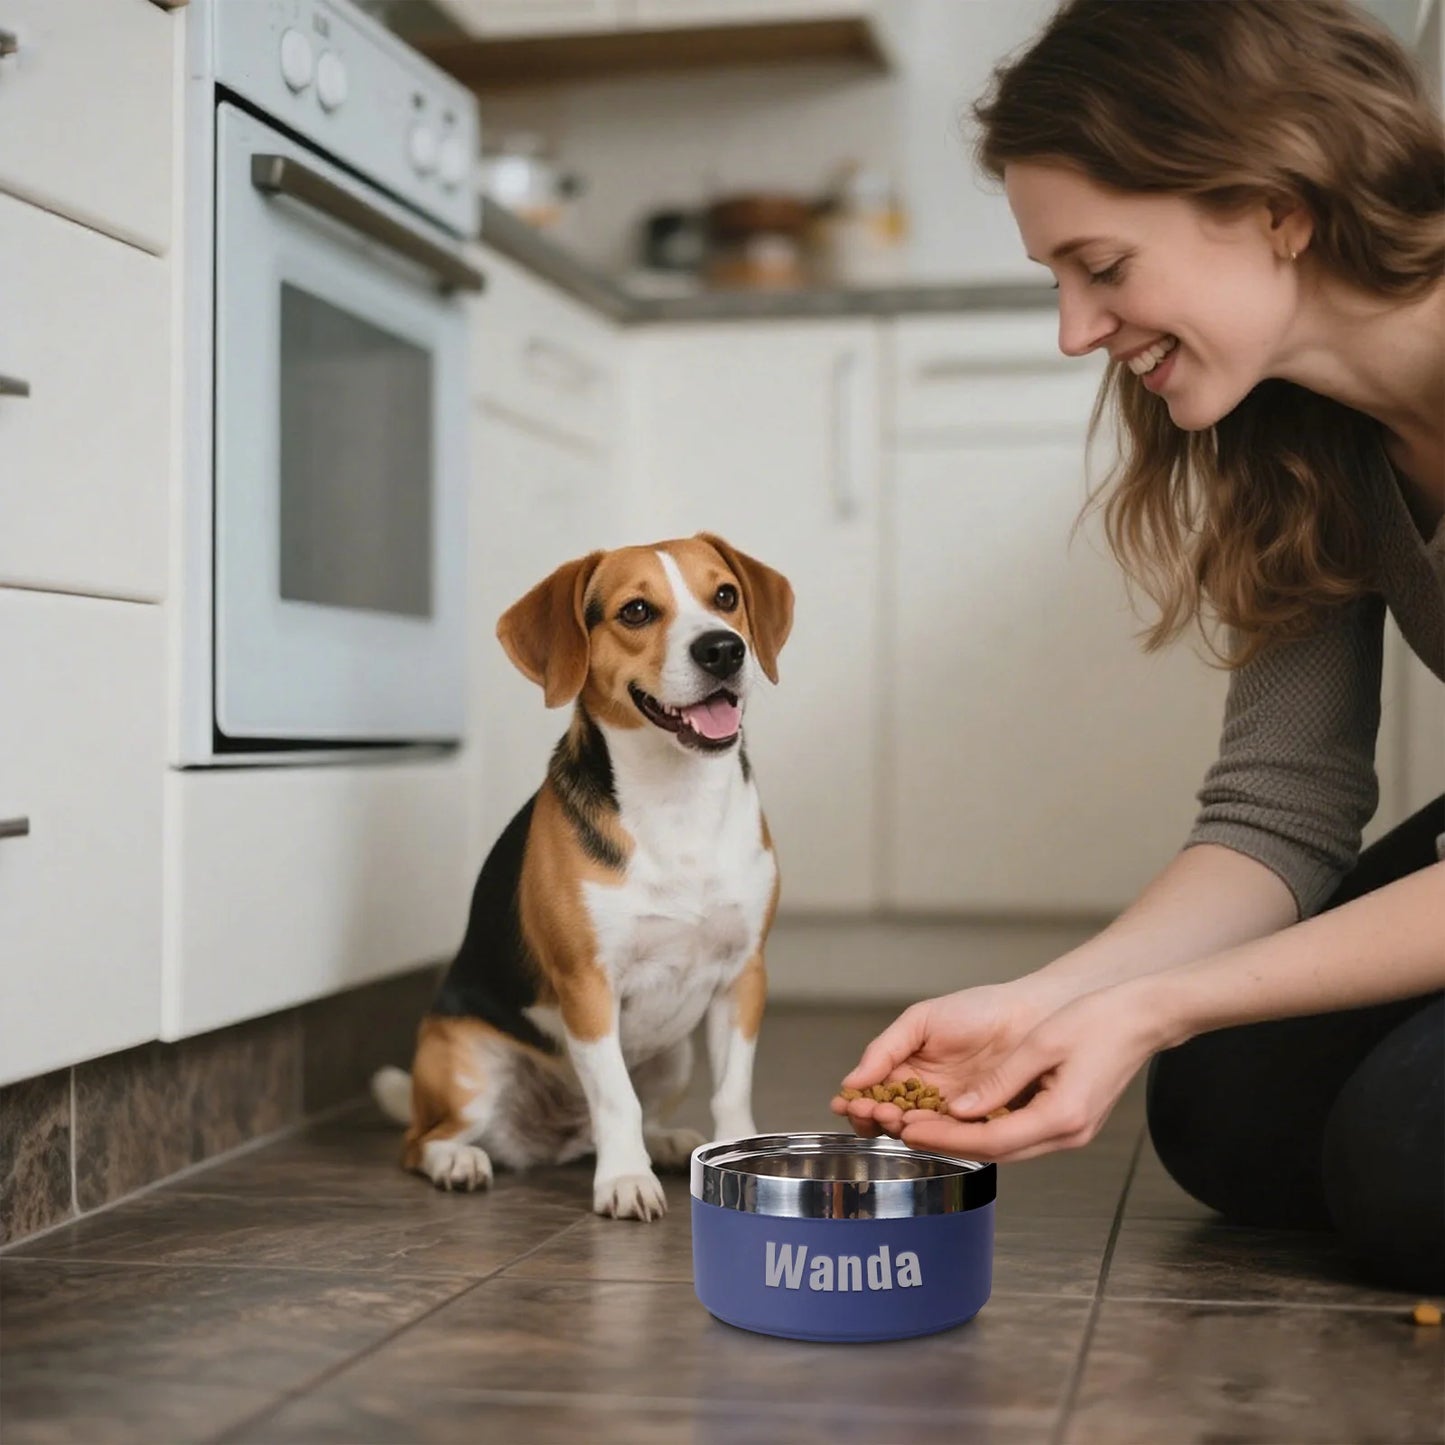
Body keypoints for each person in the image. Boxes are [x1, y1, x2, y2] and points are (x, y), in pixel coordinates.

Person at [832, 0, 1444, 1291]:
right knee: (1221, 1107)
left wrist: (1157, 999)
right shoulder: (1293, 436)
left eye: (1101, 268)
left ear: (1275, 203)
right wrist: (1053, 1001)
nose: (1073, 331)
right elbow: (1285, 804)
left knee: (1409, 1160)